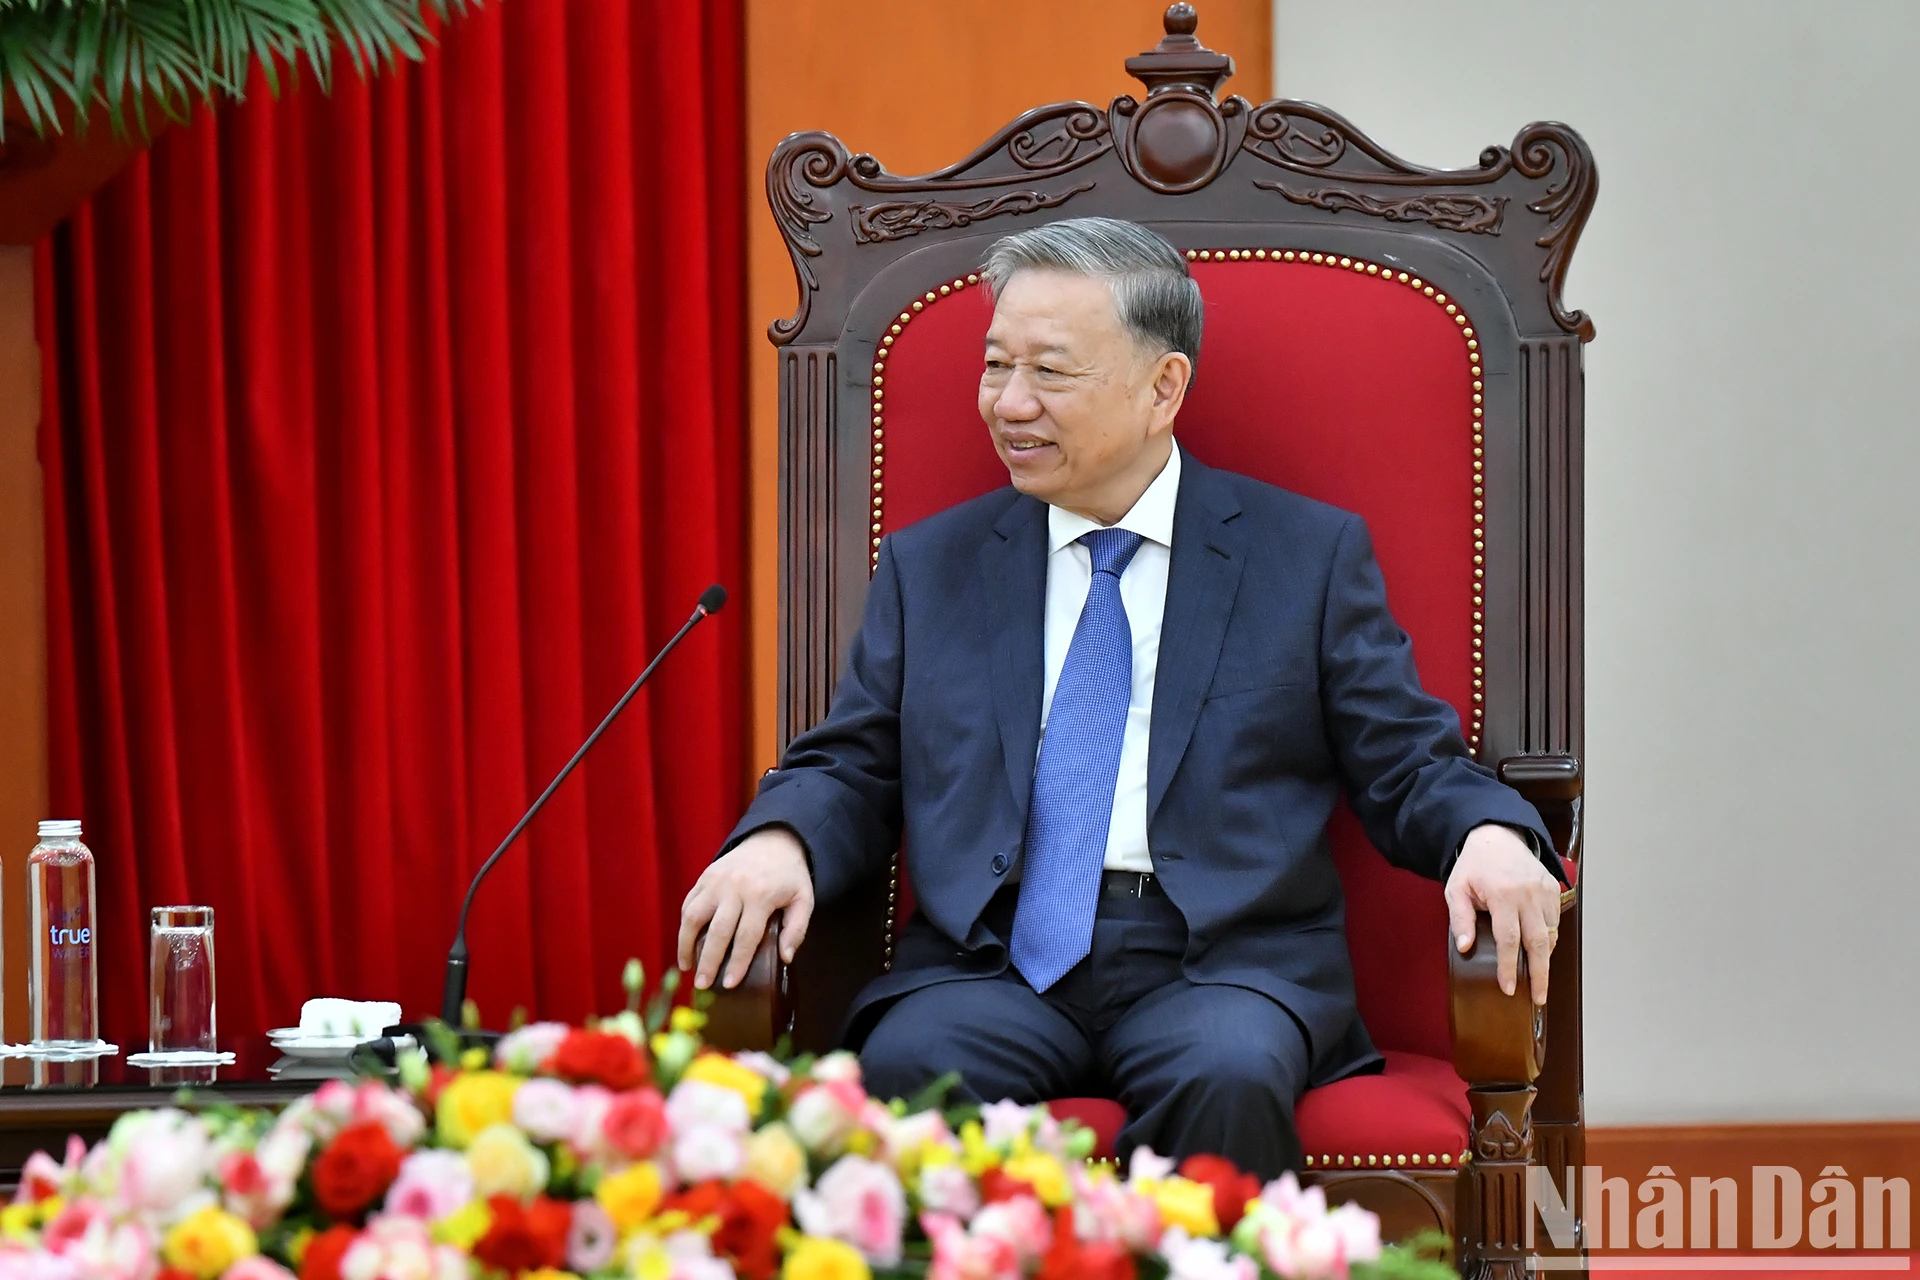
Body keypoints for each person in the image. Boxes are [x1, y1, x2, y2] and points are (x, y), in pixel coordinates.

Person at [677, 216, 1565, 1177]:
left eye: (1051, 373)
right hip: (997, 958)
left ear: (1162, 387)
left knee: (1227, 1075)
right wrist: (782, 837)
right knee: (910, 1070)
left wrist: (1488, 832)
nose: (1009, 403)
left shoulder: (1300, 558)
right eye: (995, 366)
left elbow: (1406, 761)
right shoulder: (934, 567)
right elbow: (854, 762)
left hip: (1221, 964)